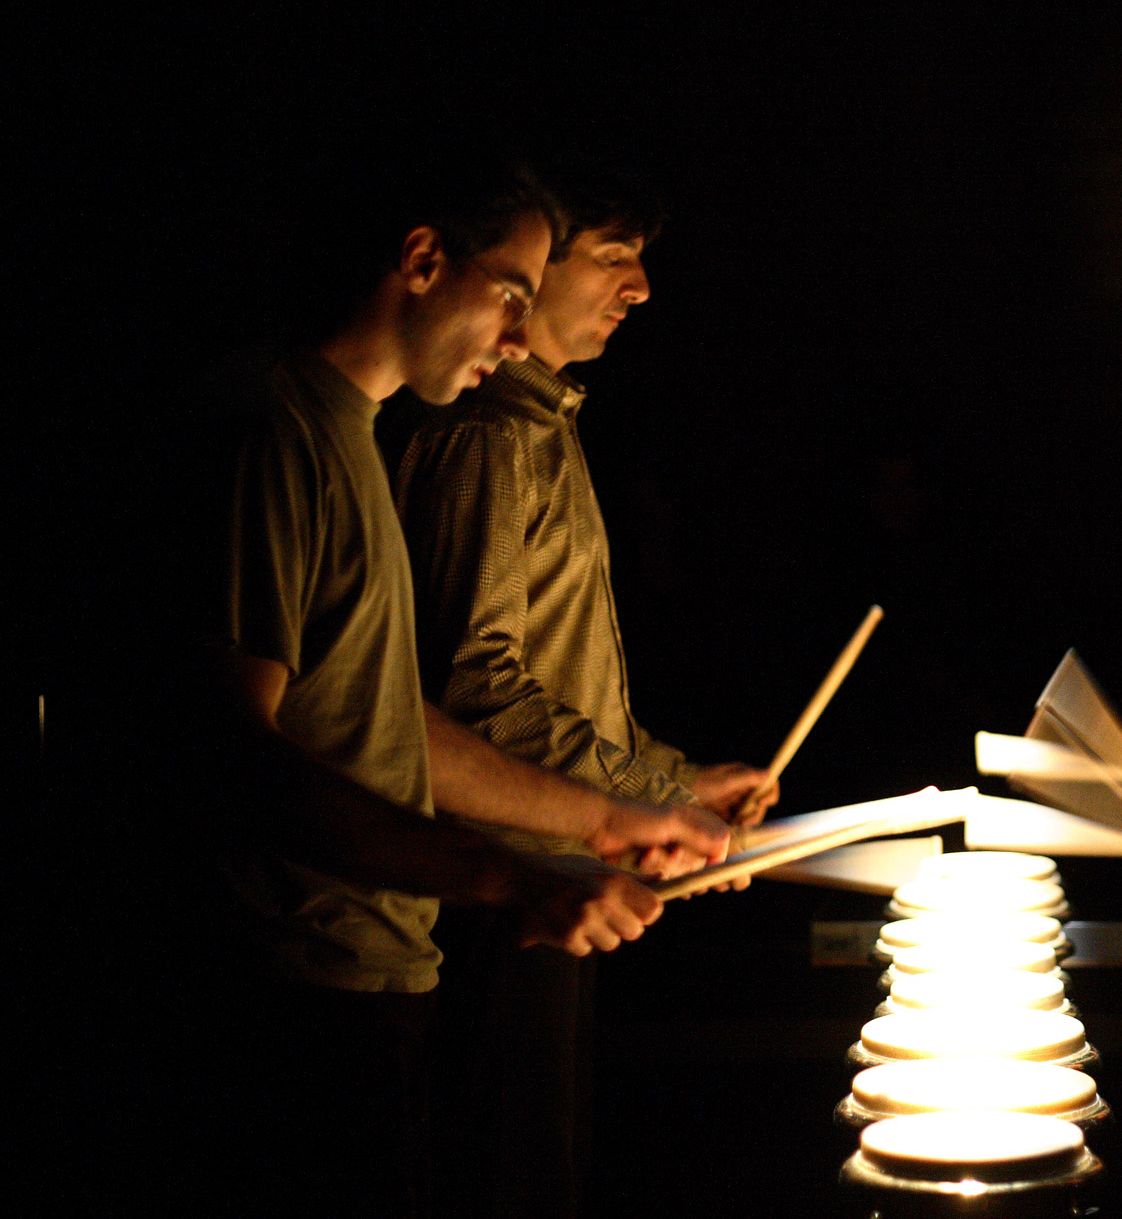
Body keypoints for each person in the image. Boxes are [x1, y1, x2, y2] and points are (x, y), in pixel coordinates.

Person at [162, 137, 731, 1218]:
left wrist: (613, 817)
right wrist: (510, 879)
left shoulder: (348, 432)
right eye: (510, 289)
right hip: (290, 992)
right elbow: (232, 754)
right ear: (422, 260)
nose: (519, 332)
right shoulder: (268, 431)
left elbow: (393, 723)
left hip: (377, 973)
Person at [387, 156, 774, 1217]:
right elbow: (475, 695)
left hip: (557, 869)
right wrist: (645, 803)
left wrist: (671, 774)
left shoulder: (540, 425)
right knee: (509, 1169)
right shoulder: (483, 434)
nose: (638, 288)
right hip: (507, 880)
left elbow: (555, 682)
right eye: (614, 257)